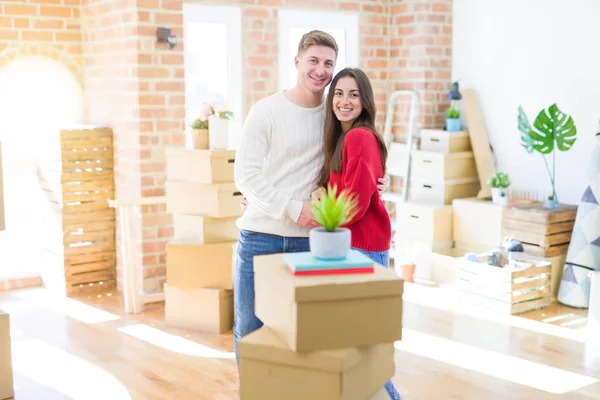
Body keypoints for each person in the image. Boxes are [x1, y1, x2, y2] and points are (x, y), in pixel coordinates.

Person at [312, 67, 400, 400]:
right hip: (358, 245)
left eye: (353, 94)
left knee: (362, 348)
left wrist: (324, 223)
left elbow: (355, 202)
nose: (344, 101)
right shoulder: (344, 138)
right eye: (338, 93)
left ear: (365, 100)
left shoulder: (359, 137)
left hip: (360, 247)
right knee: (360, 346)